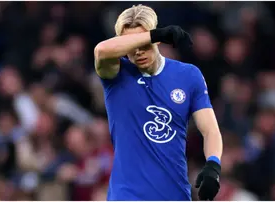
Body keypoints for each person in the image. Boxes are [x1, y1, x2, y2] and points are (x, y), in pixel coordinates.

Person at [94, 4, 223, 201]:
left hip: (175, 193)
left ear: (157, 43)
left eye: (144, 44)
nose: (138, 52)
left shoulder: (188, 75)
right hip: (128, 195)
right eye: (130, 45)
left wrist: (213, 165)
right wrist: (156, 35)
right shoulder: (116, 74)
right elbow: (101, 50)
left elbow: (210, 130)